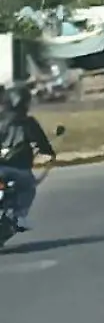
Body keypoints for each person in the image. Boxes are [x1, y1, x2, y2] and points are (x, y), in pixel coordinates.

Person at [0, 84, 56, 231]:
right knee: (29, 188)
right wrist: (49, 153)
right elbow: (42, 143)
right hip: (20, 170)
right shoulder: (28, 122)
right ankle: (20, 217)